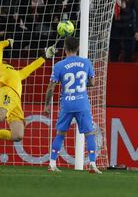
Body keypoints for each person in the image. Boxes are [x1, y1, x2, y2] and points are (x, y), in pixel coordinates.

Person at [0, 39, 52, 162]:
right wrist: (8, 42)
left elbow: (31, 67)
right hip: (7, 92)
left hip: (16, 101)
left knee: (18, 135)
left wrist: (45, 56)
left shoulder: (18, 73)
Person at [44, 36, 101, 174]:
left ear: (65, 48)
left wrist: (47, 105)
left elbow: (51, 87)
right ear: (78, 48)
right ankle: (93, 164)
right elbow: (93, 83)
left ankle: (52, 163)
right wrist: (80, 85)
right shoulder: (86, 62)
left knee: (60, 133)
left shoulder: (59, 65)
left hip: (67, 104)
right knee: (89, 133)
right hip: (82, 103)